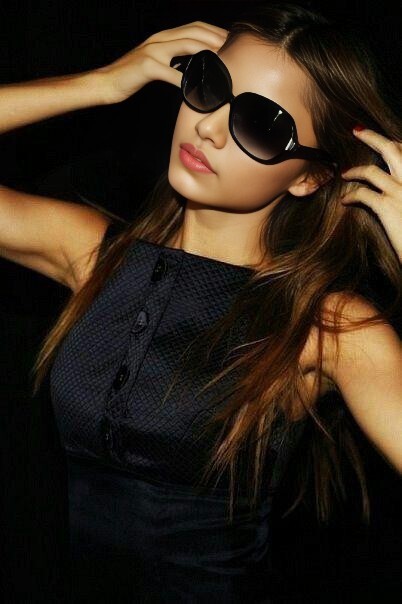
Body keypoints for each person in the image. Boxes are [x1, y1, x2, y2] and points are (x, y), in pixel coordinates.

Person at [0, 2, 401, 602]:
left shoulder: (329, 327)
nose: (208, 127)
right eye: (209, 85)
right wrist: (101, 84)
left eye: (260, 124)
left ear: (310, 177)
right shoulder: (94, 254)